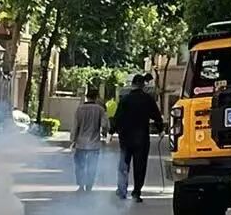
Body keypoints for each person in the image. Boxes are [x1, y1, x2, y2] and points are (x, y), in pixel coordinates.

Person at [111, 74, 164, 202]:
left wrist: (111, 131)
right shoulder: (148, 99)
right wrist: (160, 130)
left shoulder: (125, 99)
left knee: (124, 164)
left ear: (132, 84)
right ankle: (136, 193)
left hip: (125, 137)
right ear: (143, 85)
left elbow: (118, 117)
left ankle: (122, 190)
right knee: (140, 166)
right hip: (142, 138)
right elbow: (156, 115)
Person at [69, 85, 109, 192]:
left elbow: (75, 126)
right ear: (96, 97)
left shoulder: (79, 109)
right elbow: (105, 124)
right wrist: (105, 134)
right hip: (94, 143)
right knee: (92, 166)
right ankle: (89, 186)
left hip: (80, 143)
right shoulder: (100, 110)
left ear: (87, 97)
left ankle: (81, 185)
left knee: (80, 165)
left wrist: (73, 140)